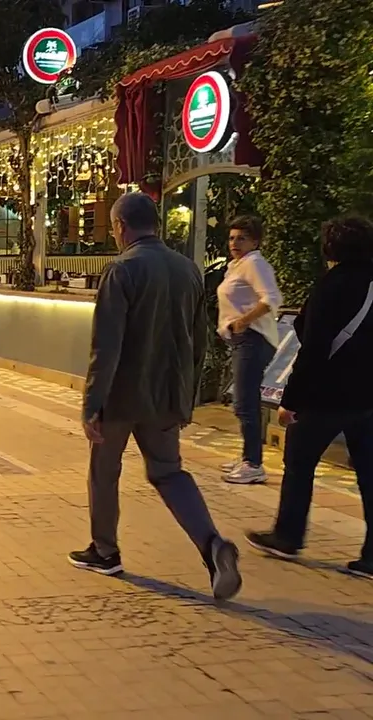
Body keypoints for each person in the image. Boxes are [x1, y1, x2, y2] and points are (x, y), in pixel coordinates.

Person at [71, 192, 242, 601]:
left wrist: (92, 403)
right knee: (169, 472)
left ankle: (105, 551)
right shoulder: (188, 270)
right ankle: (212, 545)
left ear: (120, 227)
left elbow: (106, 346)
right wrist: (188, 397)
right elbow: (199, 341)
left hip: (121, 395)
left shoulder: (122, 270)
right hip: (167, 393)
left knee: (104, 470)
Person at [247, 214, 373, 579]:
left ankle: (287, 536)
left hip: (326, 395)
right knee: (369, 474)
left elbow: (314, 347)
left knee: (299, 463)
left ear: (330, 247)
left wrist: (291, 400)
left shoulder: (332, 286)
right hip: (367, 398)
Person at [217, 215, 284, 484]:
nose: (234, 243)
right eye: (232, 238)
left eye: (242, 238)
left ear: (255, 242)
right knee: (243, 401)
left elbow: (272, 298)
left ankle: (253, 463)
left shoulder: (255, 263)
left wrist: (243, 321)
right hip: (242, 340)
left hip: (253, 339)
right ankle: (248, 456)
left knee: (245, 402)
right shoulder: (238, 265)